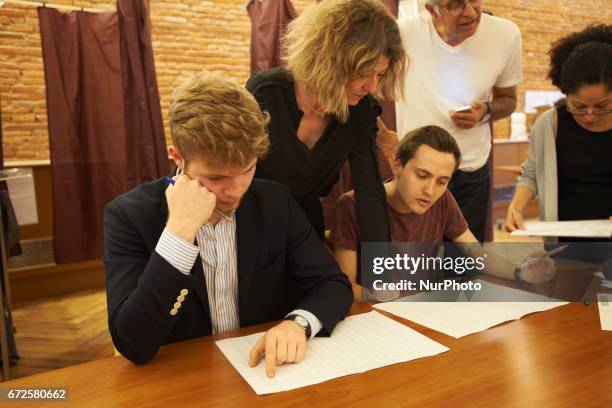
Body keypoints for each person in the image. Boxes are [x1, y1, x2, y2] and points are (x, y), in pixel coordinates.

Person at [103, 73, 353, 377]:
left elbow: (332, 284)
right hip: (182, 381)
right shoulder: (128, 216)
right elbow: (133, 343)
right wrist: (179, 233)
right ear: (177, 157)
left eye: (247, 169)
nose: (235, 190)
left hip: (266, 373)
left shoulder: (275, 201)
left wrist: (297, 323)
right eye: (217, 177)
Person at [246, 0, 407, 242]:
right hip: (252, 226)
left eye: (380, 75)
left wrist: (379, 269)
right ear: (331, 60)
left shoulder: (360, 111)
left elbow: (369, 193)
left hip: (305, 230)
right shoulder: (266, 93)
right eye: (364, 73)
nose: (372, 86)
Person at [333, 126, 553, 300]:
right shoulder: (353, 205)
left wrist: (520, 272)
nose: (430, 191)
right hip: (376, 321)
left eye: (442, 181)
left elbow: (477, 256)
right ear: (396, 165)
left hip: (427, 315)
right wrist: (379, 296)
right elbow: (345, 286)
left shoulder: (442, 199)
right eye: (422, 175)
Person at [395, 0, 522, 241]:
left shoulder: (506, 34)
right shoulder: (403, 34)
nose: (471, 12)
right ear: (431, 10)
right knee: (413, 262)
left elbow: (508, 100)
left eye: (474, 1)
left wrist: (485, 110)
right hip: (417, 170)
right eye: (455, 5)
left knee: (465, 266)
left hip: (471, 172)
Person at [505, 24, 611, 240]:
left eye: (602, 106)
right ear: (565, 93)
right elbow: (531, 175)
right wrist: (516, 207)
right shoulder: (550, 124)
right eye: (579, 107)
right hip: (563, 239)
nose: (590, 115)